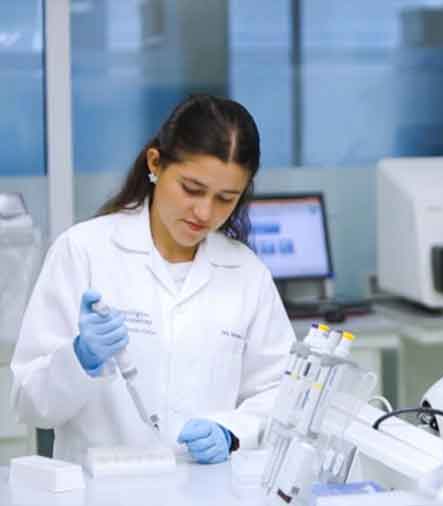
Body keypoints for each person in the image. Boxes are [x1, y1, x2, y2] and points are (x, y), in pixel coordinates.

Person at [11, 95, 295, 465]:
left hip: (207, 493)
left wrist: (232, 432)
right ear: (156, 164)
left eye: (226, 199)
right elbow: (30, 403)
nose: (204, 212)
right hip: (100, 495)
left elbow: (281, 391)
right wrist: (79, 360)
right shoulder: (84, 251)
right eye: (192, 189)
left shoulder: (247, 274)